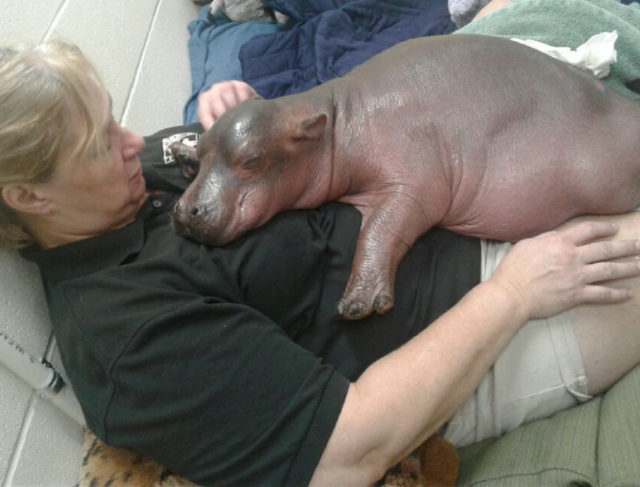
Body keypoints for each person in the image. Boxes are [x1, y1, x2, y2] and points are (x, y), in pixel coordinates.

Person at [1, 40, 640, 487]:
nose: (133, 144)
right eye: (99, 145)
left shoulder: (134, 181)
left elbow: (271, 164)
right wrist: (516, 291)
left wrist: (246, 111)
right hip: (488, 318)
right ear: (29, 197)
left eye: (115, 119)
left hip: (452, 182)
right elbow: (347, 451)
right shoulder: (125, 339)